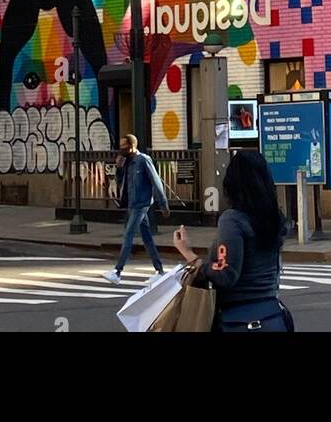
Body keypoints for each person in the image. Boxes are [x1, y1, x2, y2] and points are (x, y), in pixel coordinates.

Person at [173, 149, 292, 332]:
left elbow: (225, 274)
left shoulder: (233, 220)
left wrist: (189, 254)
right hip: (271, 315)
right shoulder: (275, 219)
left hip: (237, 320)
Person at [103, 133, 169, 285]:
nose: (121, 150)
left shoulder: (143, 160)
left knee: (128, 234)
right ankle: (159, 271)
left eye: (124, 146)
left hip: (142, 203)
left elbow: (156, 181)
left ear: (132, 146)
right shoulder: (127, 162)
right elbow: (122, 183)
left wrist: (163, 204)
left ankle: (118, 271)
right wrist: (119, 168)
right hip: (132, 204)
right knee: (147, 238)